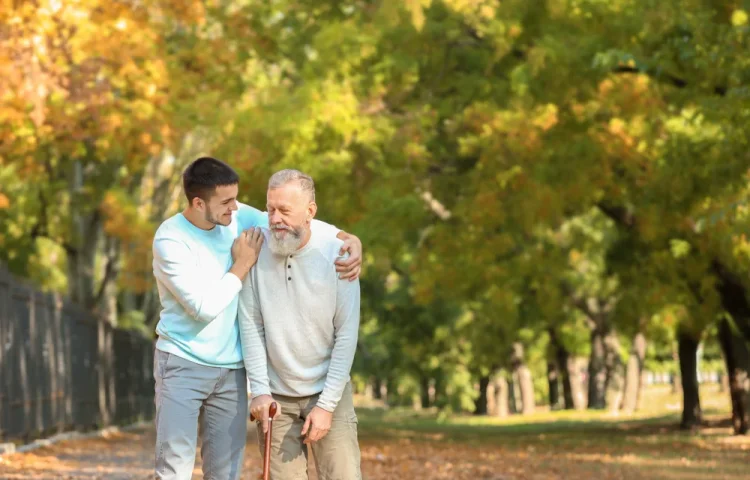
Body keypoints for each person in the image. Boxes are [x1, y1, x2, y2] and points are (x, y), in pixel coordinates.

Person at [151, 158, 362, 480]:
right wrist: (243, 264)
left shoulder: (238, 217)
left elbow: (296, 221)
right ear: (198, 203)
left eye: (236, 199)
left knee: (225, 473)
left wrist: (349, 238)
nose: (236, 208)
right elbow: (211, 310)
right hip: (184, 361)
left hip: (232, 369)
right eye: (227, 201)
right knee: (174, 470)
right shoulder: (172, 240)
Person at [239, 169, 362, 480]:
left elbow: (346, 335)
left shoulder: (339, 254)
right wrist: (259, 392)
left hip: (328, 390)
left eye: (285, 211)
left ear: (310, 213)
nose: (275, 218)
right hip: (276, 397)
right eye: (270, 209)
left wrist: (327, 406)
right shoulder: (255, 247)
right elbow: (251, 325)